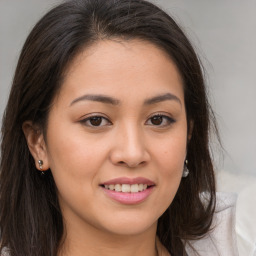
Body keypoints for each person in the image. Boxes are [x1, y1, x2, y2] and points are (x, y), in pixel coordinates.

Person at [0, 0, 239, 255]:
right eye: (96, 120)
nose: (133, 153)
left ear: (189, 134)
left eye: (158, 119)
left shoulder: (237, 241)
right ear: (38, 142)